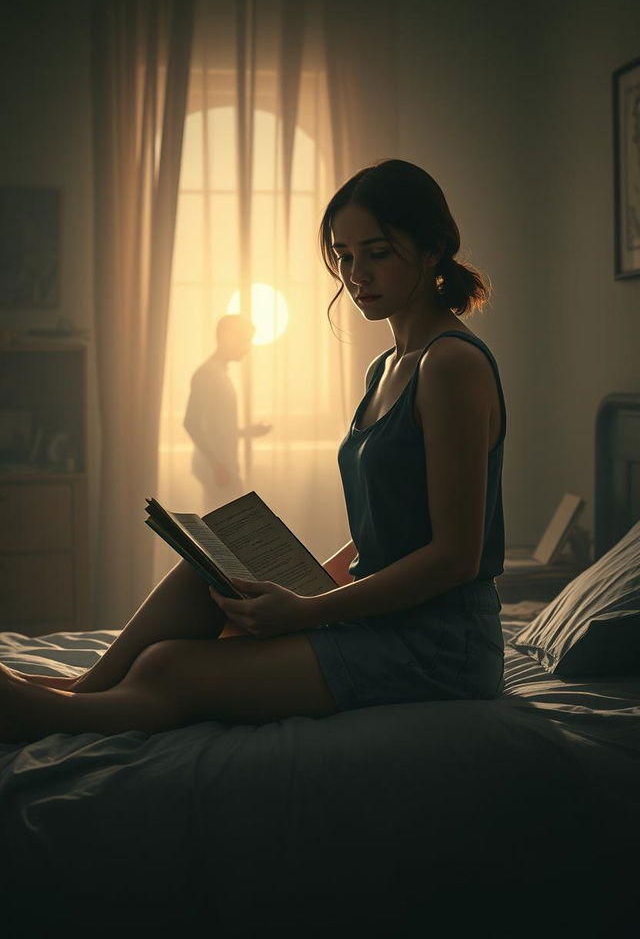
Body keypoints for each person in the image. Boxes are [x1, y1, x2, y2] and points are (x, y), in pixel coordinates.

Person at [1, 158, 506, 741]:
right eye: (344, 256)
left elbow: (455, 557)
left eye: (378, 252)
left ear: (432, 249)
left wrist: (312, 610)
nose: (356, 274)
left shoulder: (452, 366)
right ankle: (78, 690)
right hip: (378, 617)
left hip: (438, 646)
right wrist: (314, 583)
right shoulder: (386, 367)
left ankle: (41, 716)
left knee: (168, 665)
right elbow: (392, 530)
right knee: (206, 574)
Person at [183, 314, 272, 512]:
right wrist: (217, 465)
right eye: (244, 340)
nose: (247, 347)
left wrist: (245, 432)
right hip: (218, 468)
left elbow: (215, 427)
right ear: (226, 337)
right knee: (227, 530)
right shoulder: (208, 374)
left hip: (222, 466)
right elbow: (191, 422)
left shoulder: (218, 373)